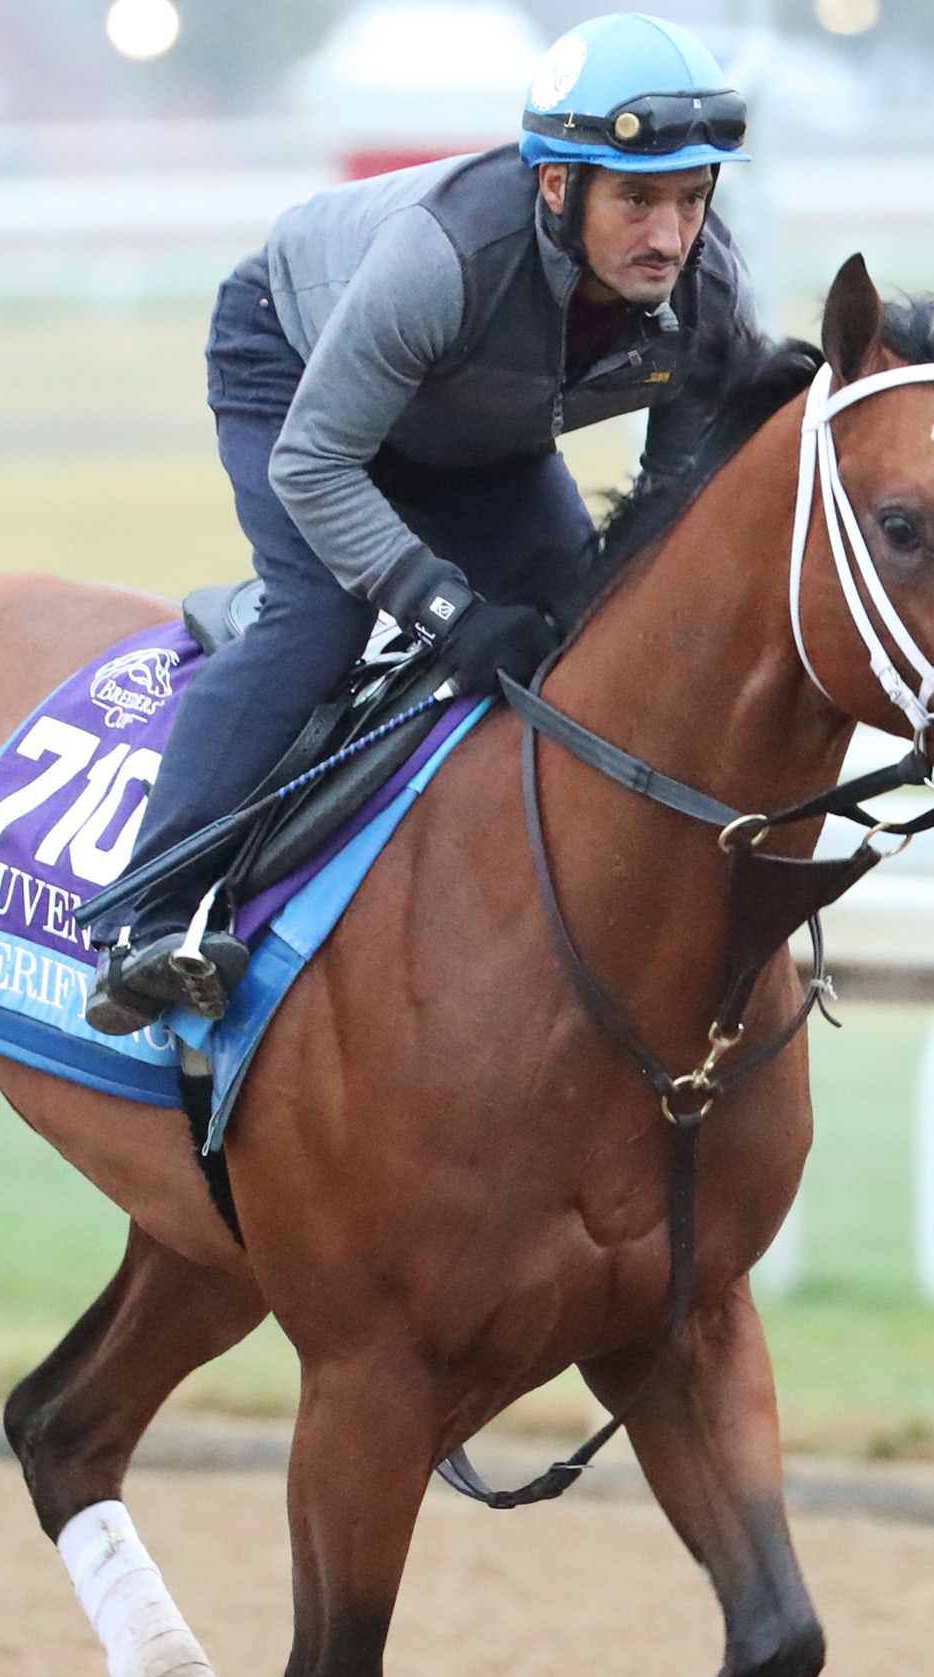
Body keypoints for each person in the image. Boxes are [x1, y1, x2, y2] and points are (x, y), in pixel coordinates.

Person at [84, 11, 760, 1036]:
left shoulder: (709, 293)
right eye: (636, 199)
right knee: (321, 620)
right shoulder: (443, 257)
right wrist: (442, 607)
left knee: (580, 632)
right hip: (298, 373)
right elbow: (316, 464)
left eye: (691, 198)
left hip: (473, 420)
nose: (668, 236)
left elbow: (665, 518)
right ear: (556, 186)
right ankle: (149, 915)